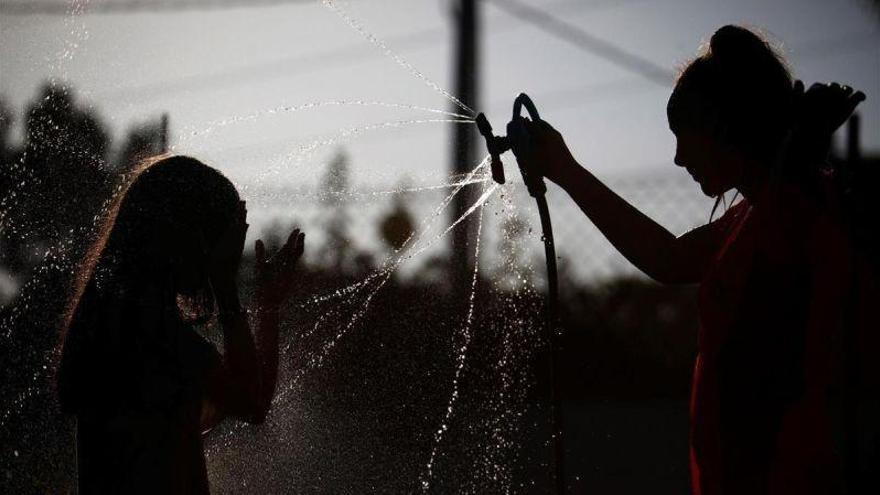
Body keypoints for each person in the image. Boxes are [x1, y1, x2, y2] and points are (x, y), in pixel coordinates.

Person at [521, 25, 870, 494]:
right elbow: (668, 258)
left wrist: (794, 162)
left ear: (724, 128)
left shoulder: (795, 208)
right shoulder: (753, 216)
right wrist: (564, 168)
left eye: (685, 136)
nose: (678, 158)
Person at [56, 155, 305, 494]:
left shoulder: (111, 324)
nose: (230, 251)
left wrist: (267, 305)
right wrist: (228, 289)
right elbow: (251, 402)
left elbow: (248, 398)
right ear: (188, 237)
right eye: (223, 237)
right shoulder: (154, 336)